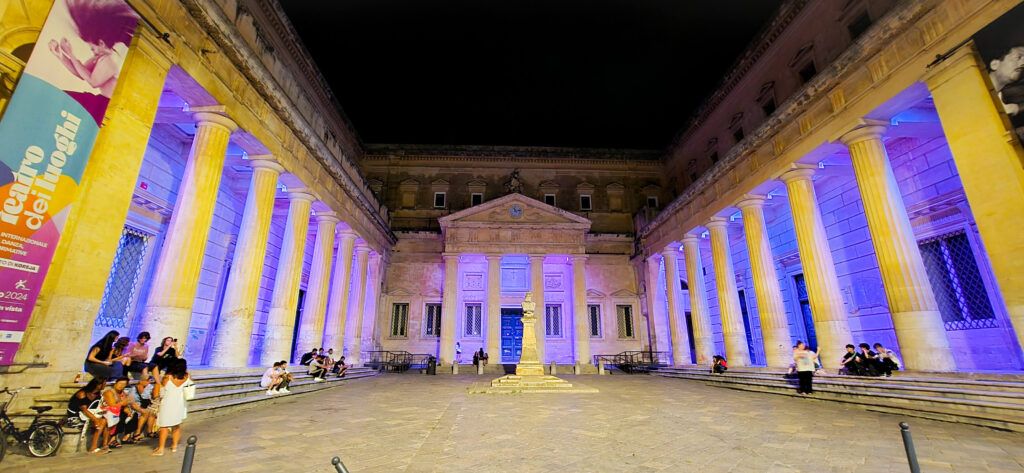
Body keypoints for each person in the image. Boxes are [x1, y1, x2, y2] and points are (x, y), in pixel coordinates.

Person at [48, 0, 140, 98]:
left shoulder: (112, 59)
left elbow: (93, 82)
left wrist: (71, 53)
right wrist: (60, 55)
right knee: (59, 95)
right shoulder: (100, 57)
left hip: (106, 103)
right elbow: (80, 72)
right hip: (100, 98)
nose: (92, 51)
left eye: (92, 48)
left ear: (101, 43)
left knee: (62, 97)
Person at [153, 358, 190, 456]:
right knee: (176, 425)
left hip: (167, 404)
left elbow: (160, 391)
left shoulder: (167, 377)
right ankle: (174, 446)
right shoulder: (187, 377)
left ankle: (161, 448)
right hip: (180, 404)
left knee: (164, 426)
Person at [66, 376, 109, 454]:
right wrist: (95, 419)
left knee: (105, 420)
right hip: (76, 417)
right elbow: (84, 409)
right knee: (101, 422)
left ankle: (104, 445)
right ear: (98, 385)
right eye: (104, 384)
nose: (105, 385)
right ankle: (93, 448)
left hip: (87, 416)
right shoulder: (82, 394)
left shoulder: (98, 394)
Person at [100, 377, 132, 448]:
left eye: (124, 384)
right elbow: (112, 405)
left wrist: (128, 411)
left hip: (117, 411)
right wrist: (123, 402)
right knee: (119, 415)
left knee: (132, 415)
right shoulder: (109, 392)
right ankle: (112, 439)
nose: (121, 386)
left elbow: (125, 406)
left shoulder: (123, 393)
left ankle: (127, 436)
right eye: (120, 383)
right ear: (116, 383)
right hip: (107, 411)